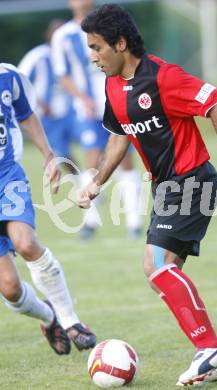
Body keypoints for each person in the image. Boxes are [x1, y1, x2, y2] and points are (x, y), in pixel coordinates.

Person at [77, 4, 217, 386]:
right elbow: (120, 132)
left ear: (121, 44)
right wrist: (97, 181)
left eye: (97, 47)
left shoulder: (163, 77)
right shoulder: (113, 84)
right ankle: (212, 354)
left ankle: (212, 350)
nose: (93, 57)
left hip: (191, 180)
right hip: (166, 187)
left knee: (156, 264)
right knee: (160, 273)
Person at [0, 63, 96, 355]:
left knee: (27, 243)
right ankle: (49, 316)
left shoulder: (7, 76)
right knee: (10, 288)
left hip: (6, 177)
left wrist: (47, 154)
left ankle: (71, 321)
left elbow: (26, 114)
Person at [51, 0, 142, 240]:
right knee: (92, 161)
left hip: (117, 104)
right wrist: (83, 98)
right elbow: (62, 75)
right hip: (87, 111)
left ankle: (134, 222)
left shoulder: (109, 29)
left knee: (125, 159)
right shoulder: (63, 36)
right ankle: (90, 221)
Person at [18, 20, 77, 174]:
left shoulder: (71, 54)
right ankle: (83, 180)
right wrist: (39, 102)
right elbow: (18, 82)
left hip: (73, 112)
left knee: (95, 143)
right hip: (48, 117)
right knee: (62, 152)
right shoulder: (37, 57)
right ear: (49, 36)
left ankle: (96, 177)